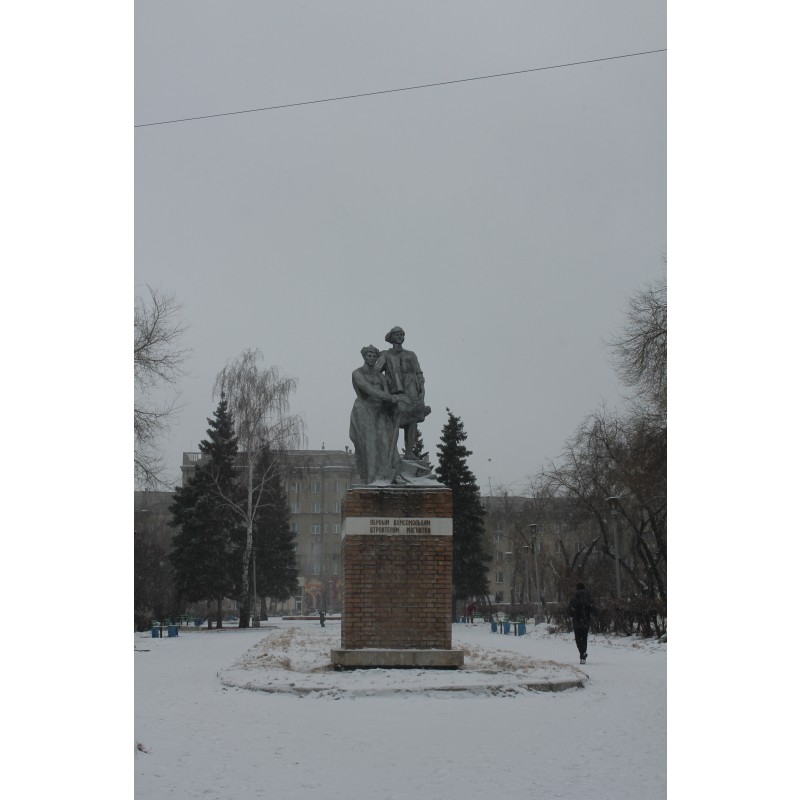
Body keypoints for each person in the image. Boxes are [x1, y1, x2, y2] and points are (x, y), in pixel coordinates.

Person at [375, 326, 431, 459]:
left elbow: (419, 373)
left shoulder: (411, 355)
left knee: (412, 421)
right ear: (391, 337)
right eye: (397, 334)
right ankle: (391, 453)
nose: (400, 336)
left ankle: (409, 452)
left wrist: (422, 390)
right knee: (394, 421)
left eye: (401, 334)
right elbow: (376, 373)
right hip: (395, 394)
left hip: (412, 392)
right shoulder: (386, 355)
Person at [349, 345, 401, 484]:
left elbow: (386, 393)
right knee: (369, 443)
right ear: (364, 357)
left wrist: (394, 402)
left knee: (385, 441)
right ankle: (371, 478)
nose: (372, 358)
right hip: (363, 409)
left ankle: (384, 475)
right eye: (369, 356)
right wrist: (388, 397)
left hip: (380, 411)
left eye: (374, 356)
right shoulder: (357, 373)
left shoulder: (380, 377)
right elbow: (369, 389)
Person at [567, 582, 597, 664]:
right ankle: (583, 656)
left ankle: (582, 653)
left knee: (578, 639)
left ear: (577, 589)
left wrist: (573, 614)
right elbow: (594, 609)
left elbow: (569, 611)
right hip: (586, 622)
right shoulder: (589, 598)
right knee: (584, 638)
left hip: (577, 622)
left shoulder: (574, 598)